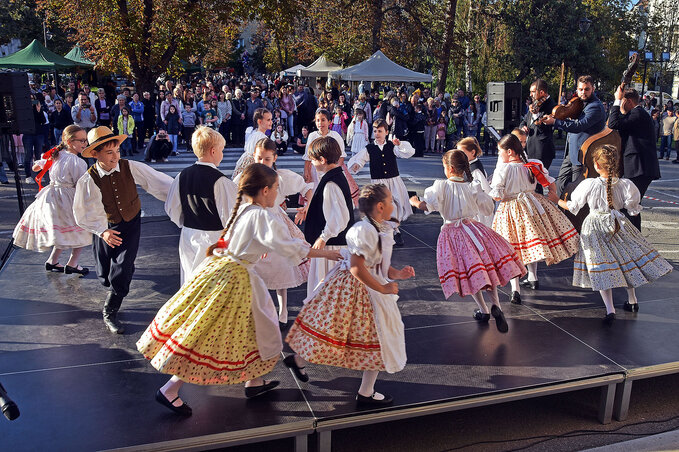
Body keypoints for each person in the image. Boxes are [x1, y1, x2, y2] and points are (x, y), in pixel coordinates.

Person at [136, 163, 341, 416]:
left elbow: (238, 240)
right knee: (215, 333)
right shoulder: (260, 215)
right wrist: (327, 254)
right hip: (234, 279)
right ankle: (170, 389)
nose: (279, 194)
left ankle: (254, 382)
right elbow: (289, 247)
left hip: (226, 271)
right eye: (277, 189)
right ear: (265, 190)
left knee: (255, 330)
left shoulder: (245, 208)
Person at [286, 184, 415, 406]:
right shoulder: (364, 231)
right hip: (359, 289)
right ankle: (364, 392)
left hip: (373, 285)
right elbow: (357, 268)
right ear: (381, 206)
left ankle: (364, 389)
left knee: (375, 337)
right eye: (392, 200)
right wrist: (383, 288)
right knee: (374, 336)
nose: (395, 204)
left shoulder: (382, 228)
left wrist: (398, 274)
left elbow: (379, 266)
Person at [409, 151, 524, 332]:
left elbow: (428, 206)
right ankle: (496, 306)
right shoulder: (473, 187)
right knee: (484, 268)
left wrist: (415, 202)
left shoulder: (442, 186)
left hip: (454, 234)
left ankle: (483, 310)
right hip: (475, 231)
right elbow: (487, 209)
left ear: (450, 168)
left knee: (471, 272)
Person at [73, 126, 173, 334]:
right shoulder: (88, 180)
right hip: (106, 225)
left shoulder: (130, 167)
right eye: (109, 152)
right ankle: (116, 279)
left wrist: (183, 193)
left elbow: (159, 182)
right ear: (95, 154)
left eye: (117, 150)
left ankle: (110, 310)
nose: (115, 156)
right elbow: (84, 212)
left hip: (130, 223)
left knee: (123, 267)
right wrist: (102, 231)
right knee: (105, 274)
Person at [558, 145, 672, 324]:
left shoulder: (589, 184)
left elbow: (574, 207)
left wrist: (556, 200)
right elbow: (633, 209)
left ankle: (610, 309)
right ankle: (632, 300)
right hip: (618, 222)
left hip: (594, 225)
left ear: (596, 164)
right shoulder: (626, 184)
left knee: (602, 265)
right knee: (624, 261)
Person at [490, 134, 579, 304]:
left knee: (513, 247)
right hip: (533, 205)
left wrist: (490, 191)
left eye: (500, 151)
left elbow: (497, 196)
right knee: (531, 241)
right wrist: (553, 195)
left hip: (511, 208)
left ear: (509, 152)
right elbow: (549, 182)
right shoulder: (532, 164)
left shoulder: (503, 169)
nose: (499, 155)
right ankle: (533, 277)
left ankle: (515, 289)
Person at [235, 138, 313, 325]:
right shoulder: (245, 178)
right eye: (259, 158)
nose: (263, 163)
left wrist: (306, 207)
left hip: (276, 223)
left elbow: (306, 188)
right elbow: (233, 196)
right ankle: (255, 312)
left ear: (274, 158)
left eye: (267, 159)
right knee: (253, 271)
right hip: (254, 226)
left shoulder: (281, 177)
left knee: (281, 268)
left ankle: (283, 311)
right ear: (253, 157)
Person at [13, 125, 92, 274]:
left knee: (62, 230)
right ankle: (72, 263)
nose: (85, 144)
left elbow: (41, 164)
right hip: (67, 197)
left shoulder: (57, 154)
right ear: (69, 141)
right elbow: (81, 184)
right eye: (81, 140)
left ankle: (53, 261)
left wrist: (39, 164)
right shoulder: (77, 162)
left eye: (85, 141)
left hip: (52, 196)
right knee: (81, 228)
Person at [165, 126, 237, 285]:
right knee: (211, 285)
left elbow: (172, 208)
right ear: (213, 151)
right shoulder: (221, 181)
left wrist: (186, 223)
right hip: (213, 239)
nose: (222, 154)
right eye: (221, 150)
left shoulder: (182, 175)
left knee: (191, 281)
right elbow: (231, 216)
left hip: (188, 235)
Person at [298, 136, 354, 298]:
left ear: (322, 160)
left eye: (313, 160)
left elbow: (340, 218)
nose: (312, 163)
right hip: (332, 244)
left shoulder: (331, 183)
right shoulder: (335, 177)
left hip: (331, 246)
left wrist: (323, 237)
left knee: (325, 287)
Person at [348, 119, 415, 246]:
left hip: (393, 181)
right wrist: (356, 165)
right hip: (379, 183)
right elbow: (360, 159)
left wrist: (400, 144)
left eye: (380, 131)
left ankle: (395, 229)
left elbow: (408, 152)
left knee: (395, 205)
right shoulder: (370, 149)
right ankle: (386, 231)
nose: (377, 134)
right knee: (381, 206)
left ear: (386, 132)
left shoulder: (392, 146)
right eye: (375, 131)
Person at [541, 75, 606, 198]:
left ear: (592, 88)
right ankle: (561, 211)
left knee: (577, 190)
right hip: (571, 154)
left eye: (587, 89)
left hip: (583, 155)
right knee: (560, 184)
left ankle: (573, 215)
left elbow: (579, 126)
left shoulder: (595, 107)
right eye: (580, 89)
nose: (583, 92)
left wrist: (555, 122)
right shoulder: (579, 103)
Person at [607, 86, 661, 231]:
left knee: (629, 206)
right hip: (637, 168)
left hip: (640, 168)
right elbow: (618, 124)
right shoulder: (636, 114)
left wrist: (617, 101)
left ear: (628, 101)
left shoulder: (638, 114)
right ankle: (635, 241)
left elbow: (614, 123)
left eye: (623, 101)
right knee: (630, 206)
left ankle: (635, 241)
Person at [303, 108, 360, 205]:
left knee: (332, 192)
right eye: (318, 120)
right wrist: (306, 170)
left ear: (329, 122)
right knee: (316, 193)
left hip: (333, 168)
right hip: (315, 170)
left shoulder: (335, 136)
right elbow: (308, 156)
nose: (320, 123)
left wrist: (335, 170)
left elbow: (341, 156)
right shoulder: (312, 136)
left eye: (323, 120)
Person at [521, 79, 557, 171]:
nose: (530, 95)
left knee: (538, 182)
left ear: (541, 92)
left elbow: (545, 129)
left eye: (533, 92)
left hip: (542, 151)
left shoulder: (552, 107)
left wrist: (536, 115)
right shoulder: (535, 104)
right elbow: (525, 121)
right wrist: (522, 127)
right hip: (529, 149)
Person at [457, 137, 493, 227]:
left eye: (462, 152)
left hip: (477, 213)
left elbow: (485, 192)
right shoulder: (470, 166)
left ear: (472, 152)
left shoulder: (476, 171)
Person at [233, 108, 271, 179]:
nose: (271, 122)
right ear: (259, 121)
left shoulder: (253, 133)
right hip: (253, 164)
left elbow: (246, 147)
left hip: (246, 160)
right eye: (268, 120)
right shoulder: (262, 137)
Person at [22, 99, 49, 184]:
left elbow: (43, 121)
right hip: (28, 135)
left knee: (38, 155)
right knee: (28, 155)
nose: (32, 101)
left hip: (38, 134)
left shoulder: (39, 110)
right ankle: (28, 176)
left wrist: (39, 110)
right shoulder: (24, 110)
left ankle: (39, 175)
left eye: (33, 99)